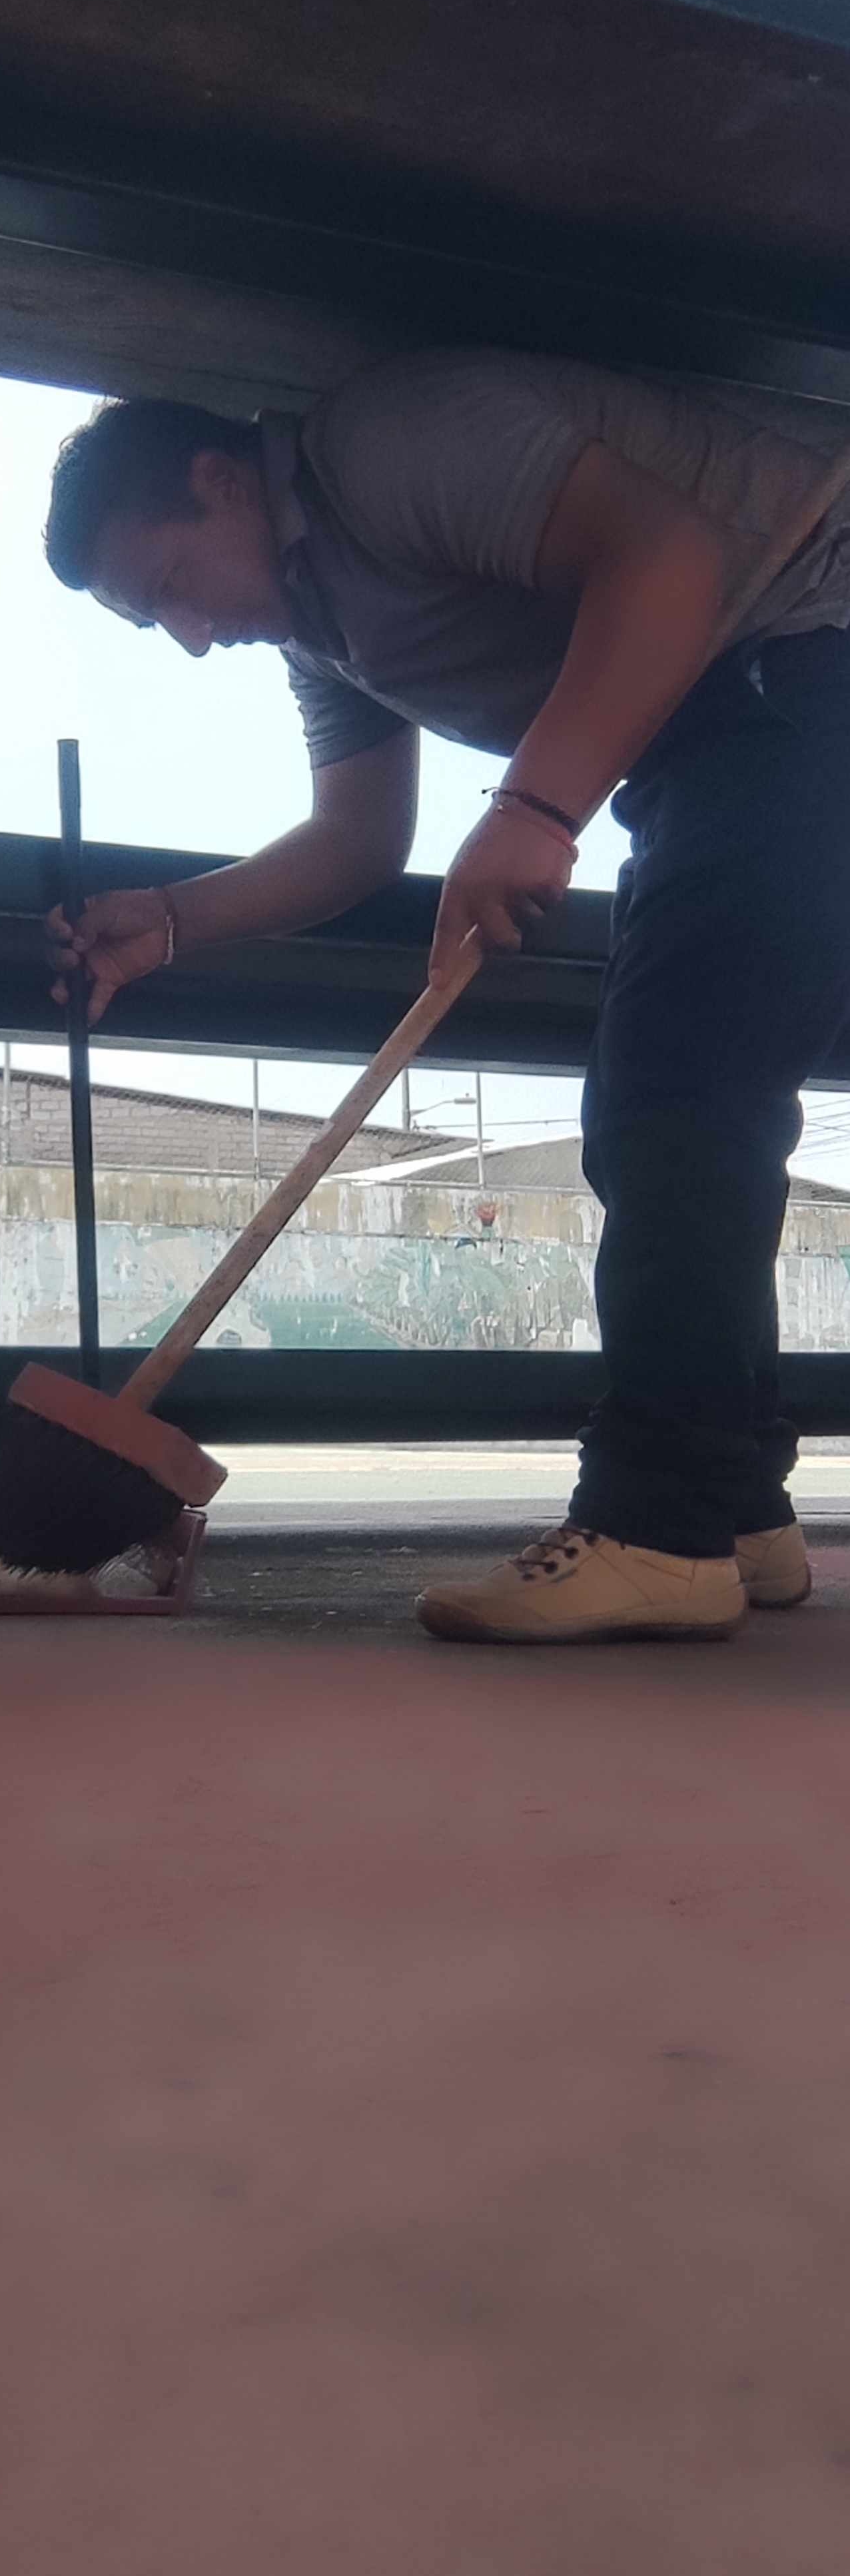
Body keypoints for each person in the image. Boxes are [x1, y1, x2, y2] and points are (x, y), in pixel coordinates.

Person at [41, 347, 850, 1644]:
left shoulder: (387, 445)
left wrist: (533, 807)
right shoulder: (323, 635)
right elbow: (359, 838)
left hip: (803, 648)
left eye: (173, 586)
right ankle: (736, 1509)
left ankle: (662, 1528)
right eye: (158, 623)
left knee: (675, 1100)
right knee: (686, 1101)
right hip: (719, 735)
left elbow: (672, 558)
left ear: (220, 482)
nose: (191, 637)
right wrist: (177, 919)